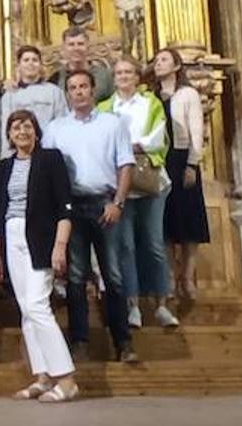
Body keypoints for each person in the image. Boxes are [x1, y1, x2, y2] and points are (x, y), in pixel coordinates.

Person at [42, 69, 137, 363]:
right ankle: (80, 341)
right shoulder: (56, 128)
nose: (79, 92)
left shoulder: (113, 124)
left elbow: (125, 164)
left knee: (113, 274)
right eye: (73, 87)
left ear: (93, 90)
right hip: (71, 207)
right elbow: (48, 173)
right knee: (75, 276)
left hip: (104, 203)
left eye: (84, 86)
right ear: (67, 93)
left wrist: (118, 202)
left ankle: (123, 342)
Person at [0, 109, 79, 403]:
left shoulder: (50, 159)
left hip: (41, 238)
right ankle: (42, 375)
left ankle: (66, 379)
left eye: (27, 126)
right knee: (27, 309)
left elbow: (65, 206)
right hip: (11, 236)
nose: (22, 132)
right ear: (9, 135)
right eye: (16, 128)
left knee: (39, 306)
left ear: (36, 131)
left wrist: (60, 245)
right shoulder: (4, 166)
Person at [98, 56, 178, 328]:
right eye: (118, 72)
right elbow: (102, 144)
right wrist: (126, 149)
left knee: (155, 244)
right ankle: (133, 305)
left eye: (128, 72)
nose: (123, 76)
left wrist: (128, 147)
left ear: (137, 76)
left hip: (150, 181)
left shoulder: (150, 103)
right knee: (126, 247)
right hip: (120, 185)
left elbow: (158, 139)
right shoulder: (104, 108)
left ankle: (162, 304)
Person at [152, 48, 209, 300]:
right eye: (156, 61)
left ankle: (187, 276)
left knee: (188, 222)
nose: (158, 64)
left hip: (181, 157)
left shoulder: (188, 94)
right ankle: (170, 277)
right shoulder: (152, 97)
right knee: (165, 222)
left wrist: (192, 164)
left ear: (176, 66)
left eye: (164, 60)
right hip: (159, 161)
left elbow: (196, 130)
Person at [0, 45, 69, 158]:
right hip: (21, 152)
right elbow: (6, 129)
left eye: (35, 60)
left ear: (41, 65)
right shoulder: (10, 95)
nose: (31, 63)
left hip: (49, 150)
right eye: (26, 60)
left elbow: (62, 123)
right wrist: (6, 158)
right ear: (19, 66)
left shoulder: (54, 92)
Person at [50, 27, 114, 103]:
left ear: (88, 46)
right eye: (71, 44)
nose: (76, 48)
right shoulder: (55, 78)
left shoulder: (104, 75)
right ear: (64, 48)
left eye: (80, 44)